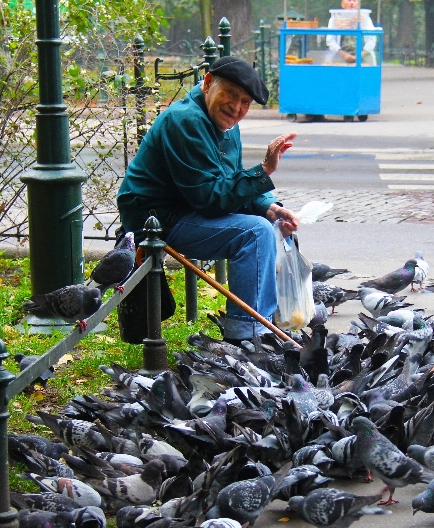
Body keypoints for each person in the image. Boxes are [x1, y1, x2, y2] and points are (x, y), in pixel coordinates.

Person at [116, 56, 298, 343]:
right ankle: (246, 337)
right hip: (157, 218)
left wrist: (269, 206)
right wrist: (263, 171)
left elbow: (231, 177)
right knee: (255, 234)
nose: (236, 108)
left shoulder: (224, 123)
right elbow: (211, 198)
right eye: (230, 95)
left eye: (245, 103)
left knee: (275, 223)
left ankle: (266, 324)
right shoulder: (185, 121)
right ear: (208, 83)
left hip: (186, 207)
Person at [325, 0, 377, 65]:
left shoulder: (365, 18)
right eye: (349, 0)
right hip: (340, 56)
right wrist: (343, 54)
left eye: (354, 1)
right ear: (342, 4)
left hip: (363, 56)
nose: (352, 3)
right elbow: (330, 40)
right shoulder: (335, 18)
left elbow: (371, 39)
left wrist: (362, 53)